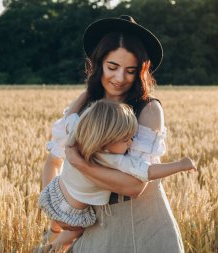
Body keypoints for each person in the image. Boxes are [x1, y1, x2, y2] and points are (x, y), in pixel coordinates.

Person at [41, 15, 196, 253]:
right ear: (98, 63)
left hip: (143, 228)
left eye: (130, 70)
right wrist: (59, 216)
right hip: (93, 227)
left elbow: (134, 186)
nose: (120, 78)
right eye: (112, 67)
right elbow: (54, 160)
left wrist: (80, 165)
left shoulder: (149, 109)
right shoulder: (84, 103)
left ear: (140, 72)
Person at [38, 99, 196, 251]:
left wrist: (87, 93)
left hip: (54, 194)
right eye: (126, 139)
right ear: (106, 140)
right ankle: (49, 249)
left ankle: (49, 242)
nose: (131, 143)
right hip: (72, 214)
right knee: (76, 232)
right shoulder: (113, 160)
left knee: (63, 234)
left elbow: (69, 118)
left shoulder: (77, 137)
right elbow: (147, 171)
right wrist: (179, 165)